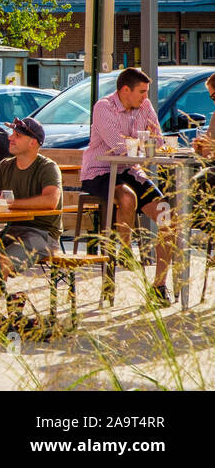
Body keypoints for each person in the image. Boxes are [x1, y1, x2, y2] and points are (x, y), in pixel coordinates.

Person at [78, 67, 175, 303]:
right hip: (99, 171)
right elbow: (117, 147)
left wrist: (142, 144)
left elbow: (159, 141)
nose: (146, 97)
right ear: (124, 90)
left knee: (167, 216)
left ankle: (159, 284)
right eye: (141, 92)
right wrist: (143, 144)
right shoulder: (104, 107)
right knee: (127, 197)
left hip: (131, 171)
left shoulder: (145, 106)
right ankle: (125, 252)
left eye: (146, 92)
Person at [0, 116, 63, 305]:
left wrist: (9, 203)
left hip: (43, 234)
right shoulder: (5, 166)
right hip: (12, 230)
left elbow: (51, 200)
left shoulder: (48, 167)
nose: (10, 138)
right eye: (12, 134)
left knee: (1, 262)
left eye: (17, 135)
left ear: (33, 143)